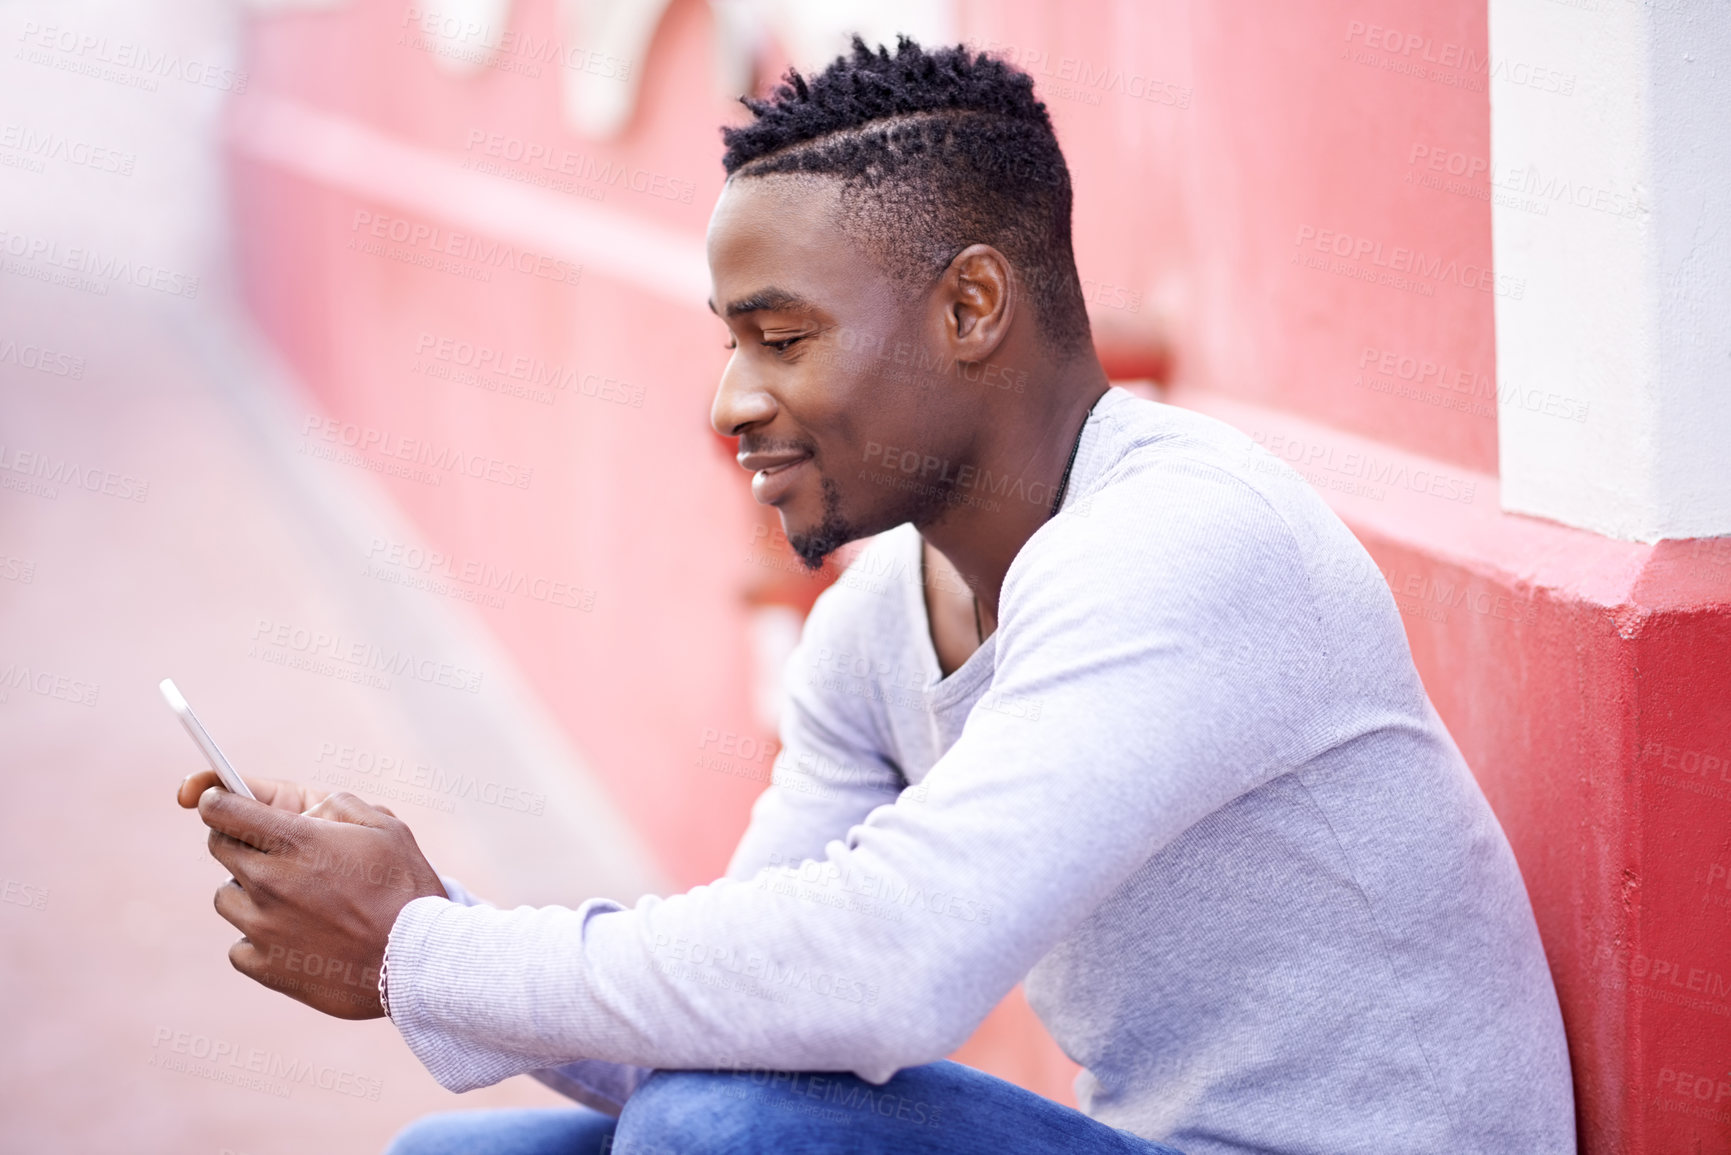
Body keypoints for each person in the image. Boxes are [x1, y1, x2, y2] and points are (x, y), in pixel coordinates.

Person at [179, 36, 1577, 1155]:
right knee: (475, 1153)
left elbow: (878, 978)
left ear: (972, 309)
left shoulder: (1185, 544)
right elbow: (750, 1011)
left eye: (781, 337)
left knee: (716, 1133)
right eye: (730, 342)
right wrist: (420, 921)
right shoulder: (874, 625)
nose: (733, 401)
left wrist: (424, 953)